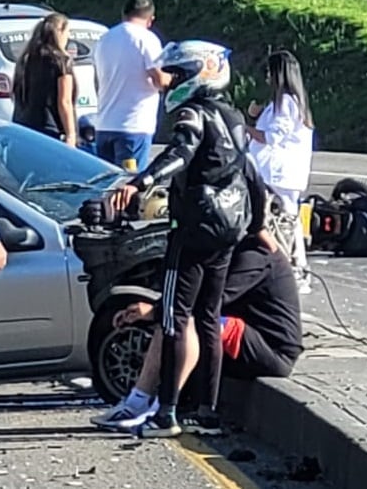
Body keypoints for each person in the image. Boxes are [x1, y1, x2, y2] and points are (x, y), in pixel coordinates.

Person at [91, 162, 302, 433]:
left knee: (184, 322)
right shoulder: (230, 245)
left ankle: (146, 404)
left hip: (272, 349)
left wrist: (154, 310)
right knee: (176, 318)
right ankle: (149, 401)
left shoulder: (256, 254)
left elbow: (210, 302)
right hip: (243, 330)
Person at [108, 39, 251, 439]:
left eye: (178, 74)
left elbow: (180, 152)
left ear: (197, 75)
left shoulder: (194, 113)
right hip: (228, 226)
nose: (171, 83)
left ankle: (165, 413)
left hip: (192, 228)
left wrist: (142, 181)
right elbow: (248, 176)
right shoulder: (234, 115)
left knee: (174, 318)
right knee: (209, 317)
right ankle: (208, 412)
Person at [247, 50, 315, 294]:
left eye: (269, 71)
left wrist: (243, 128)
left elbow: (272, 137)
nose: (266, 76)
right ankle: (296, 270)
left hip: (279, 171)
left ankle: (294, 271)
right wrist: (254, 118)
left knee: (284, 221)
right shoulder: (286, 101)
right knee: (288, 220)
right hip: (279, 171)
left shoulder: (286, 102)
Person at [93, 0, 172, 171]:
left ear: (124, 14)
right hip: (133, 126)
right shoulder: (146, 39)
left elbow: (97, 81)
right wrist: (174, 79)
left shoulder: (104, 39)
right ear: (150, 19)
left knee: (106, 187)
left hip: (104, 125)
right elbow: (159, 79)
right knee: (129, 186)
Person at [11, 13, 78, 148]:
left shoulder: (26, 59)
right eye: (68, 32)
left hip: (23, 125)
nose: (68, 37)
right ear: (60, 32)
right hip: (50, 128)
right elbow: (64, 101)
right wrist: (71, 134)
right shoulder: (61, 62)